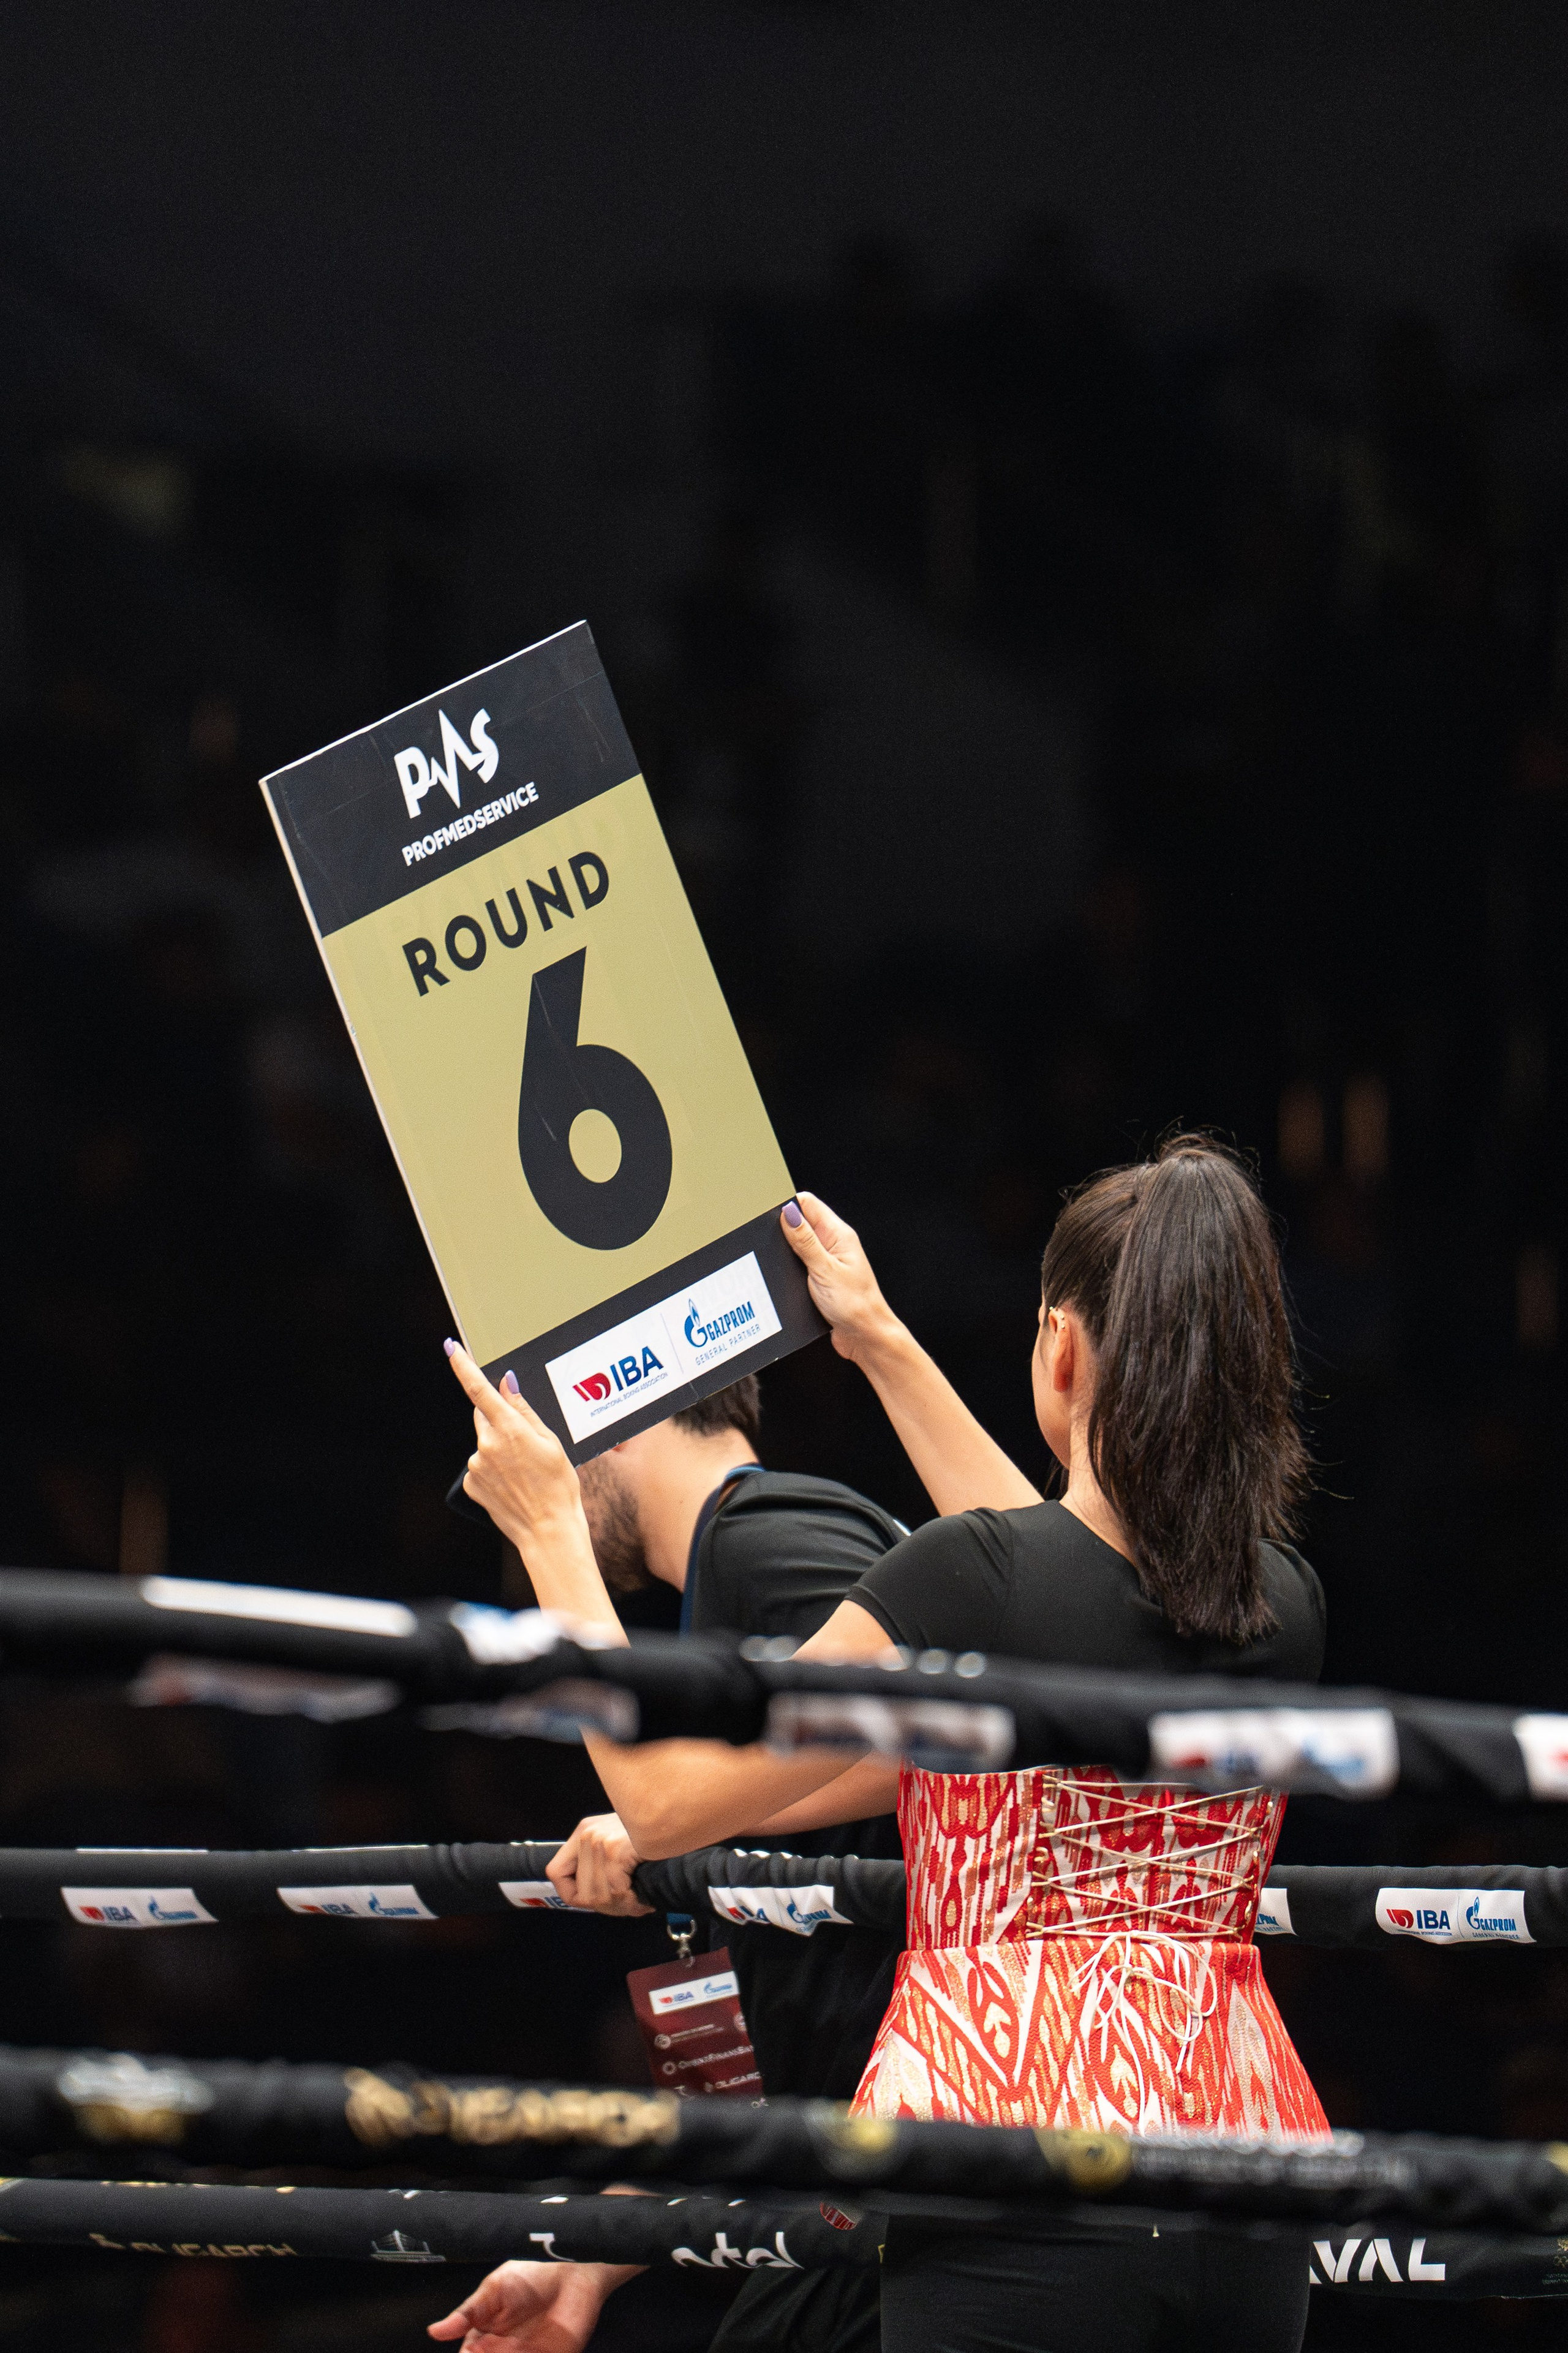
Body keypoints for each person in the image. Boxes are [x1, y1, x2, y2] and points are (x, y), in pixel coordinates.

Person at [440, 1138, 1328, 2353]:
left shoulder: (973, 1581)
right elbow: (1055, 1574)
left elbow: (660, 1802)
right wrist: (874, 1338)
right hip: (1249, 2176)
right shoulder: (1283, 1598)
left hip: (1016, 2165)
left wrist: (549, 1532)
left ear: (1058, 1349)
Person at [435, 1378, 907, 2353]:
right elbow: (750, 2073)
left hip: (911, 2174)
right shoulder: (734, 1568)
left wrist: (676, 1826)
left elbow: (951, 1755)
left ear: (615, 1417)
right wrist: (585, 2256)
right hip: (845, 2173)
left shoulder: (767, 1529)